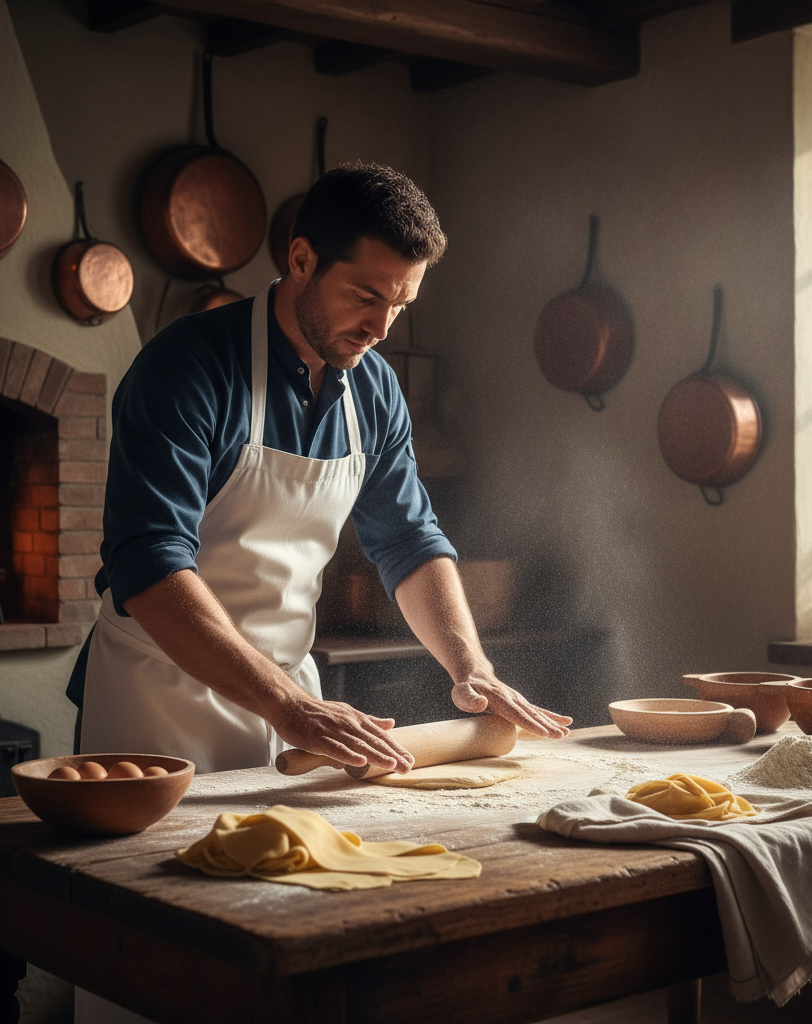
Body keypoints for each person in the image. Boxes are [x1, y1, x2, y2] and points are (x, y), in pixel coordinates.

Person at [67, 162, 571, 778]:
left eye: (400, 305)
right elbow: (149, 563)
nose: (380, 329)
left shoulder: (375, 389)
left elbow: (409, 541)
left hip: (294, 702)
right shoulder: (186, 369)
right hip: (159, 701)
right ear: (301, 259)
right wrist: (290, 707)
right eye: (366, 296)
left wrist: (472, 667)